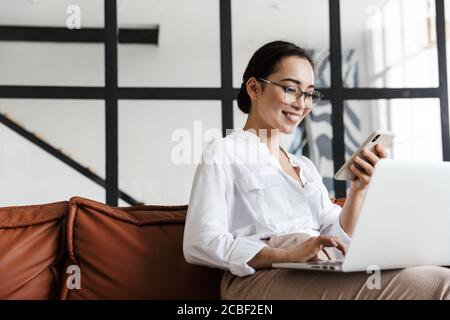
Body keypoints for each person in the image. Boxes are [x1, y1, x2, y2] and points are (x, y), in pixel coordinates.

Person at [183, 41, 450, 299]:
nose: (302, 103)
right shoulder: (224, 152)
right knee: (436, 285)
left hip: (315, 268)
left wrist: (357, 189)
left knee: (433, 275)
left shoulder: (305, 167)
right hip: (260, 278)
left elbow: (337, 236)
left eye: (309, 93)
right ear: (254, 88)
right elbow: (201, 242)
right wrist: (287, 255)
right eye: (291, 89)